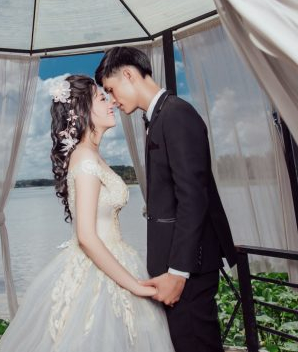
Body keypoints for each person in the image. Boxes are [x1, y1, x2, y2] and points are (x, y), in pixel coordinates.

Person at [0, 74, 175, 352]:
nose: (111, 102)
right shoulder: (86, 160)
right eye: (102, 98)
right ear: (82, 111)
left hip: (114, 257)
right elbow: (87, 236)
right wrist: (136, 286)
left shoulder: (92, 155)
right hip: (96, 267)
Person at [96, 47, 237, 352]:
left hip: (188, 270)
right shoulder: (160, 117)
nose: (113, 100)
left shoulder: (176, 115)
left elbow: (193, 198)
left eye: (111, 89)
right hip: (174, 267)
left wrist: (178, 273)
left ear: (128, 74)